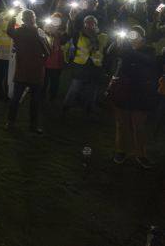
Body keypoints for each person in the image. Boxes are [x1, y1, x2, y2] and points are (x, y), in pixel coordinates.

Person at [107, 26, 158, 168]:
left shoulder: (149, 51)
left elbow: (146, 61)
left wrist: (127, 49)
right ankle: (120, 151)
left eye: (136, 35)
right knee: (121, 125)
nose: (132, 37)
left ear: (142, 37)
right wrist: (115, 43)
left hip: (141, 94)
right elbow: (110, 54)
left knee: (139, 127)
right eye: (130, 35)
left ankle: (140, 154)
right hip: (123, 91)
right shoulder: (124, 50)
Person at [5, 9, 50, 134]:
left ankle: (30, 124)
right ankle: (12, 122)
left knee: (32, 101)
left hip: (33, 72)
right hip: (26, 72)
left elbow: (47, 51)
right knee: (16, 100)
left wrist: (13, 16)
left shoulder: (37, 32)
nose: (31, 19)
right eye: (29, 17)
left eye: (31, 17)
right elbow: (47, 51)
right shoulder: (23, 32)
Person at [63, 15, 108, 116]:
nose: (90, 24)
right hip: (80, 65)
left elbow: (101, 48)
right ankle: (66, 106)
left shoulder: (103, 36)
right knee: (75, 87)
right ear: (84, 23)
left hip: (95, 65)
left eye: (92, 22)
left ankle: (89, 109)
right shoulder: (78, 34)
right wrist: (71, 19)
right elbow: (69, 36)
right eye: (87, 22)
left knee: (92, 90)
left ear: (96, 24)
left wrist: (94, 37)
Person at [43, 13, 66, 101]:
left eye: (58, 19)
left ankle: (52, 97)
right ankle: (42, 96)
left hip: (57, 61)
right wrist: (47, 31)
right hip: (46, 60)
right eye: (54, 19)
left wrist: (56, 34)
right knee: (44, 80)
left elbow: (64, 41)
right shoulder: (45, 30)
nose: (55, 21)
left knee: (55, 80)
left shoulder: (63, 32)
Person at [0, 11, 13, 102]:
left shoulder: (12, 22)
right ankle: (0, 95)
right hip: (0, 54)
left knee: (8, 76)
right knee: (0, 76)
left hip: (9, 54)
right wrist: (6, 16)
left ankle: (8, 94)